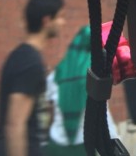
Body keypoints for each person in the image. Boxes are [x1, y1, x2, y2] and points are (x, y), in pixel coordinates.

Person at [0, 0, 65, 156]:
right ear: (47, 21)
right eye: (60, 17)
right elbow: (15, 124)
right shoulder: (29, 61)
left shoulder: (25, 57)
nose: (63, 22)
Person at [44, 25, 118, 155]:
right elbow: (104, 116)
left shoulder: (56, 74)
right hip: (81, 148)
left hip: (54, 146)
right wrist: (115, 141)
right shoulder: (94, 78)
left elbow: (48, 108)